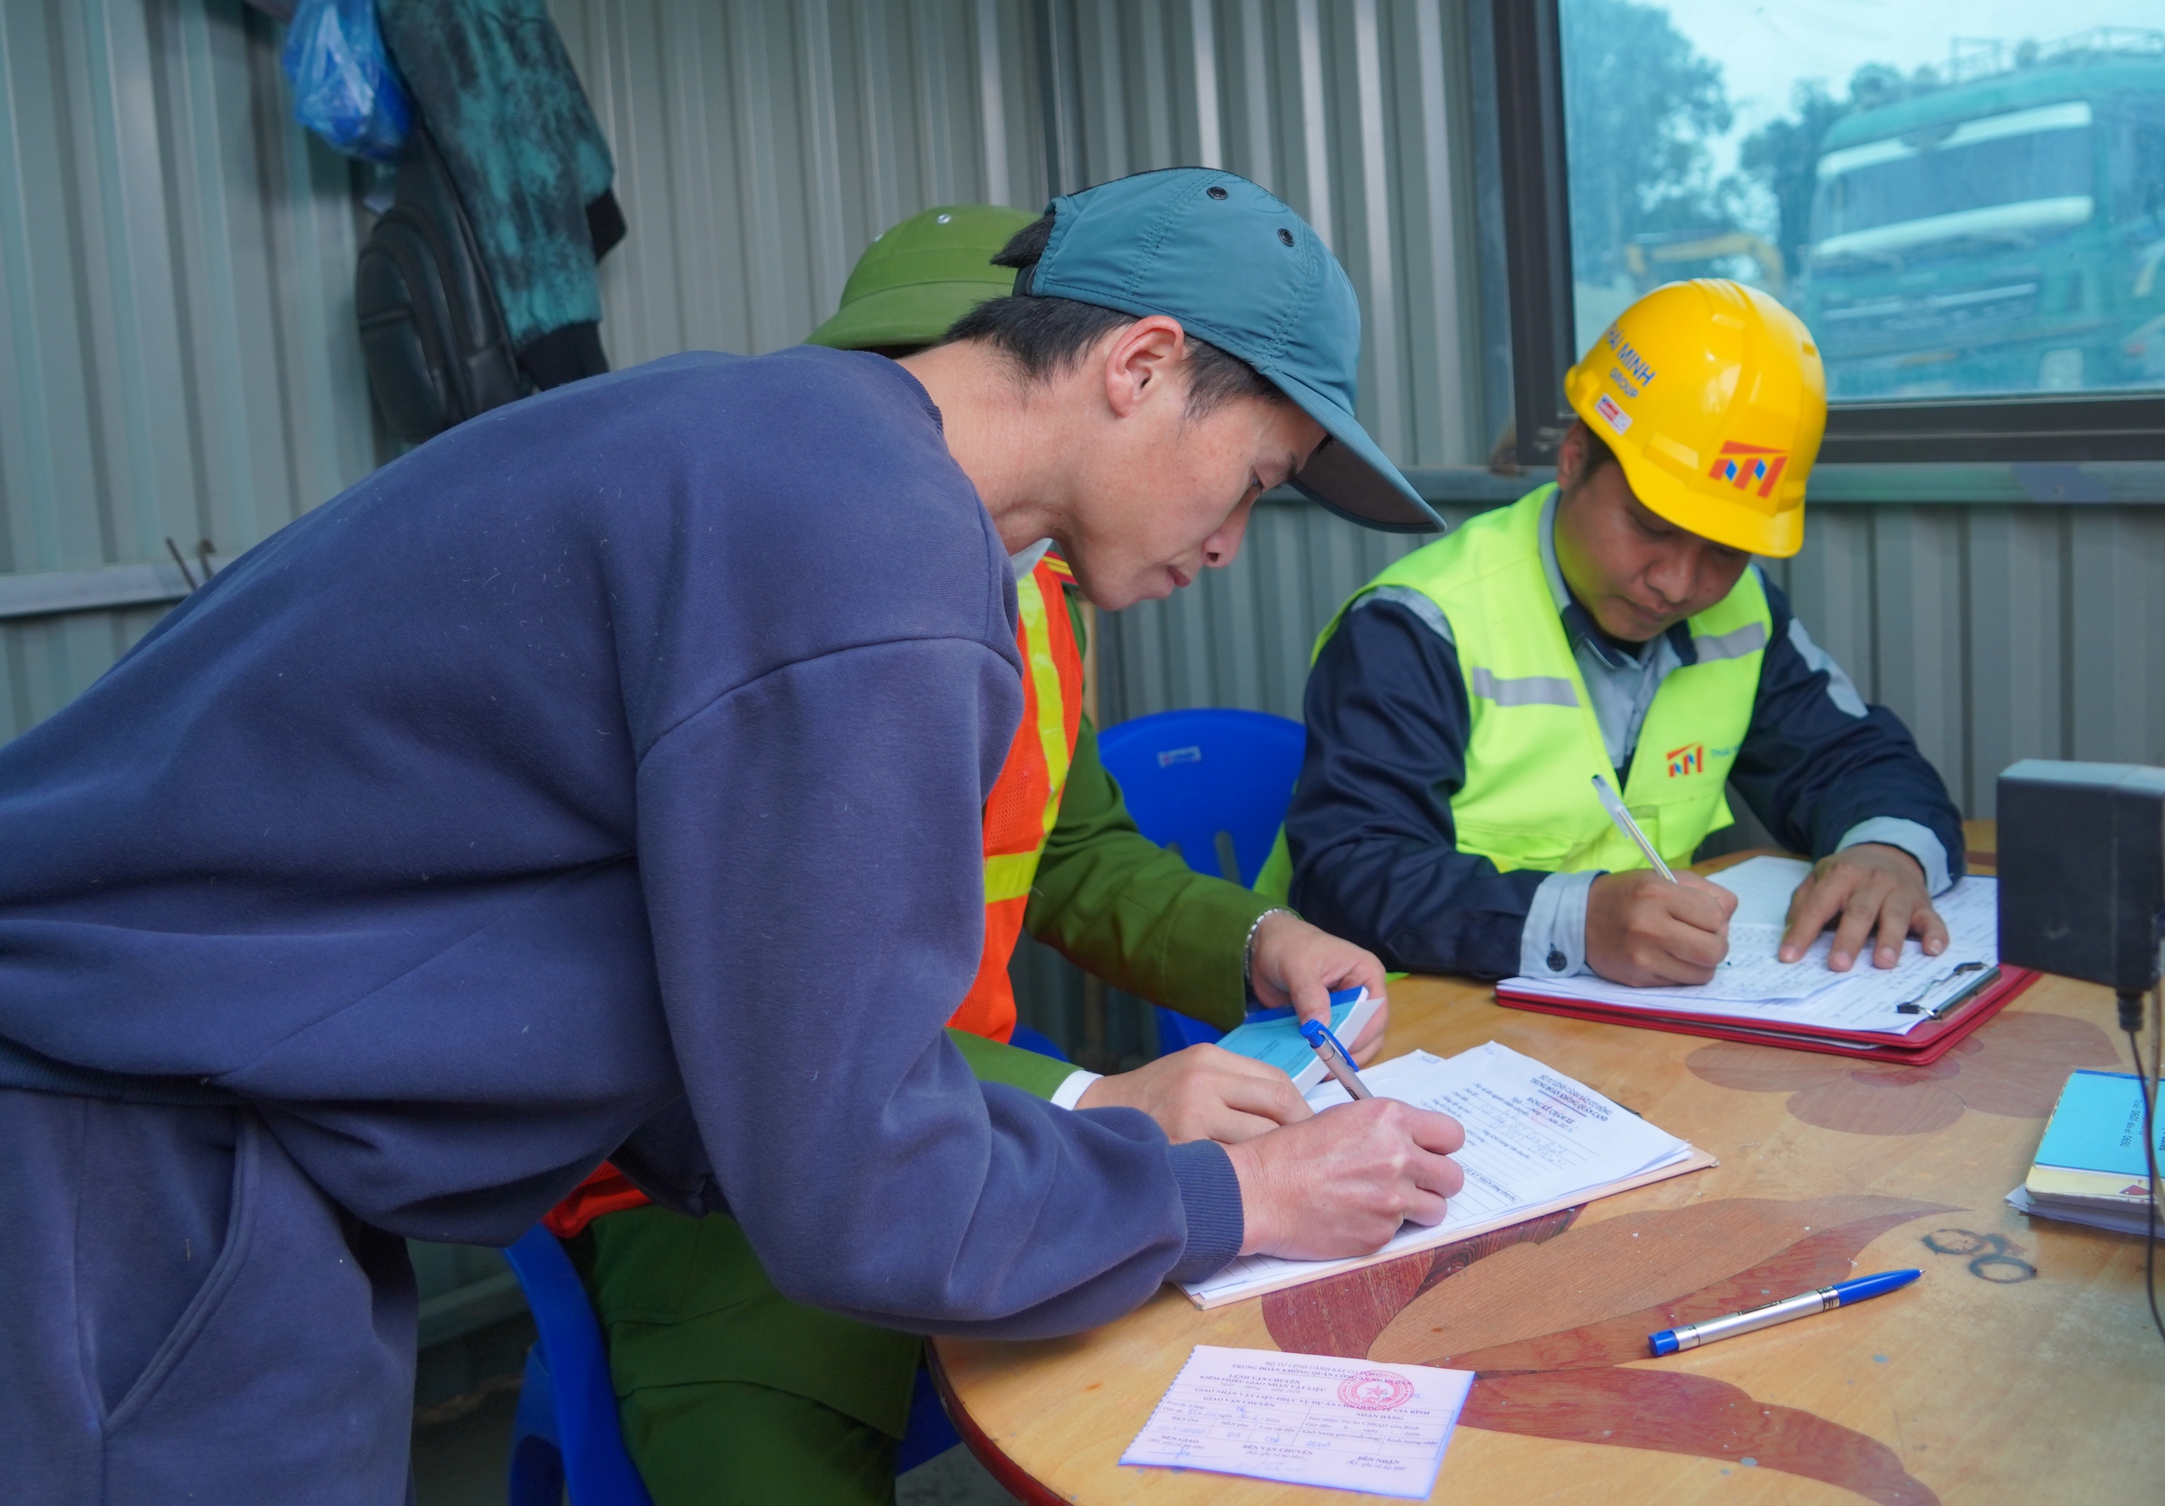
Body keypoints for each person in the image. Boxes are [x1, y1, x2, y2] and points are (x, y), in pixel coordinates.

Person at [0, 167, 1464, 1502]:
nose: (1231, 540)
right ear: (1139, 366)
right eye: (1255, 482)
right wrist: (1237, 1195)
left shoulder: (779, 446)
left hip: (190, 1107)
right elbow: (858, 1188)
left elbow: (754, 1044)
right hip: (129, 1142)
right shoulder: (867, 546)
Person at [557, 202, 1394, 1505]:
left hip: (981, 1131)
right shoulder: (759, 597)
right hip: (718, 1194)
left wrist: (1253, 936)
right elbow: (753, 1032)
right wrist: (1093, 1101)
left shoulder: (1039, 589)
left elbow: (1072, 851)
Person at [1264, 278, 1966, 989]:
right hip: (1399, 1024)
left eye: (1726, 550)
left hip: (1621, 1025)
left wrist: (1888, 852)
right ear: (1574, 456)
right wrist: (1577, 921)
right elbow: (1349, 875)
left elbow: (1854, 757)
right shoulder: (1417, 626)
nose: (1679, 584)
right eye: (1651, 526)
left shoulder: (1745, 613)